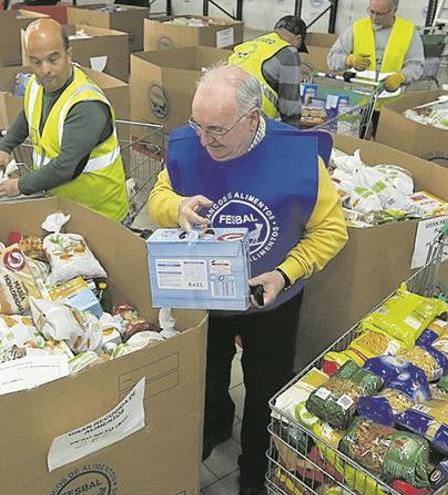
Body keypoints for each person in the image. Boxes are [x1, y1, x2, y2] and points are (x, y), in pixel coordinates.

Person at [147, 65, 348, 495]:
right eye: (197, 126)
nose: (205, 141)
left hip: (272, 300)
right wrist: (178, 207)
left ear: (253, 118)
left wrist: (285, 272)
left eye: (217, 130)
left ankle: (255, 466)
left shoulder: (298, 158)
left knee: (265, 390)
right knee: (207, 375)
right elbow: (158, 197)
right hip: (206, 295)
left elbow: (333, 230)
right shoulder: (188, 148)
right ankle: (216, 425)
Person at [0, 18, 129, 222]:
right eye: (36, 62)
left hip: (99, 213)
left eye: (53, 59)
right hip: (62, 208)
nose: (45, 70)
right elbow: (28, 114)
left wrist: (19, 185)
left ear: (69, 55)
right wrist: (5, 146)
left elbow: (66, 167)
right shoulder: (37, 85)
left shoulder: (86, 105)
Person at [327, 0, 425, 93]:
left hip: (389, 103)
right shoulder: (357, 28)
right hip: (357, 99)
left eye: (380, 14)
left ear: (394, 10)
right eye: (371, 11)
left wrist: (403, 77)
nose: (374, 17)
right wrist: (348, 60)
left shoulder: (408, 31)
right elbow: (332, 58)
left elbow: (416, 65)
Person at [228, 15, 308, 126]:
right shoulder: (289, 52)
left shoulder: (251, 44)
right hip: (250, 120)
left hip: (222, 110)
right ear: (298, 39)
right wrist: (291, 133)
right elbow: (289, 104)